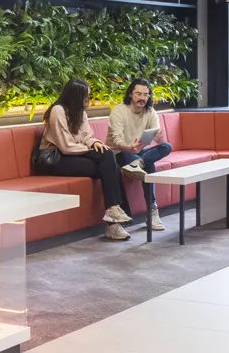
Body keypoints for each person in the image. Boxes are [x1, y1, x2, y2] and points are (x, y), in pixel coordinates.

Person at [38, 78, 133, 241]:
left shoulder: (80, 112)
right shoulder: (58, 111)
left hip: (74, 153)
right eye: (85, 96)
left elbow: (86, 136)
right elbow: (66, 146)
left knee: (107, 155)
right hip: (54, 159)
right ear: (75, 96)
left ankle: (113, 212)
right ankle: (114, 222)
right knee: (110, 167)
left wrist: (94, 142)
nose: (88, 99)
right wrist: (90, 149)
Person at [108, 78, 173, 231]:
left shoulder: (150, 112)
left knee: (166, 146)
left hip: (140, 152)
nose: (142, 98)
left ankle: (139, 163)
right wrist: (129, 147)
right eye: (138, 94)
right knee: (148, 163)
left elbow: (157, 137)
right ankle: (152, 209)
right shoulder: (119, 111)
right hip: (120, 152)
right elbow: (116, 141)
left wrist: (159, 138)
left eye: (145, 94)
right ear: (131, 94)